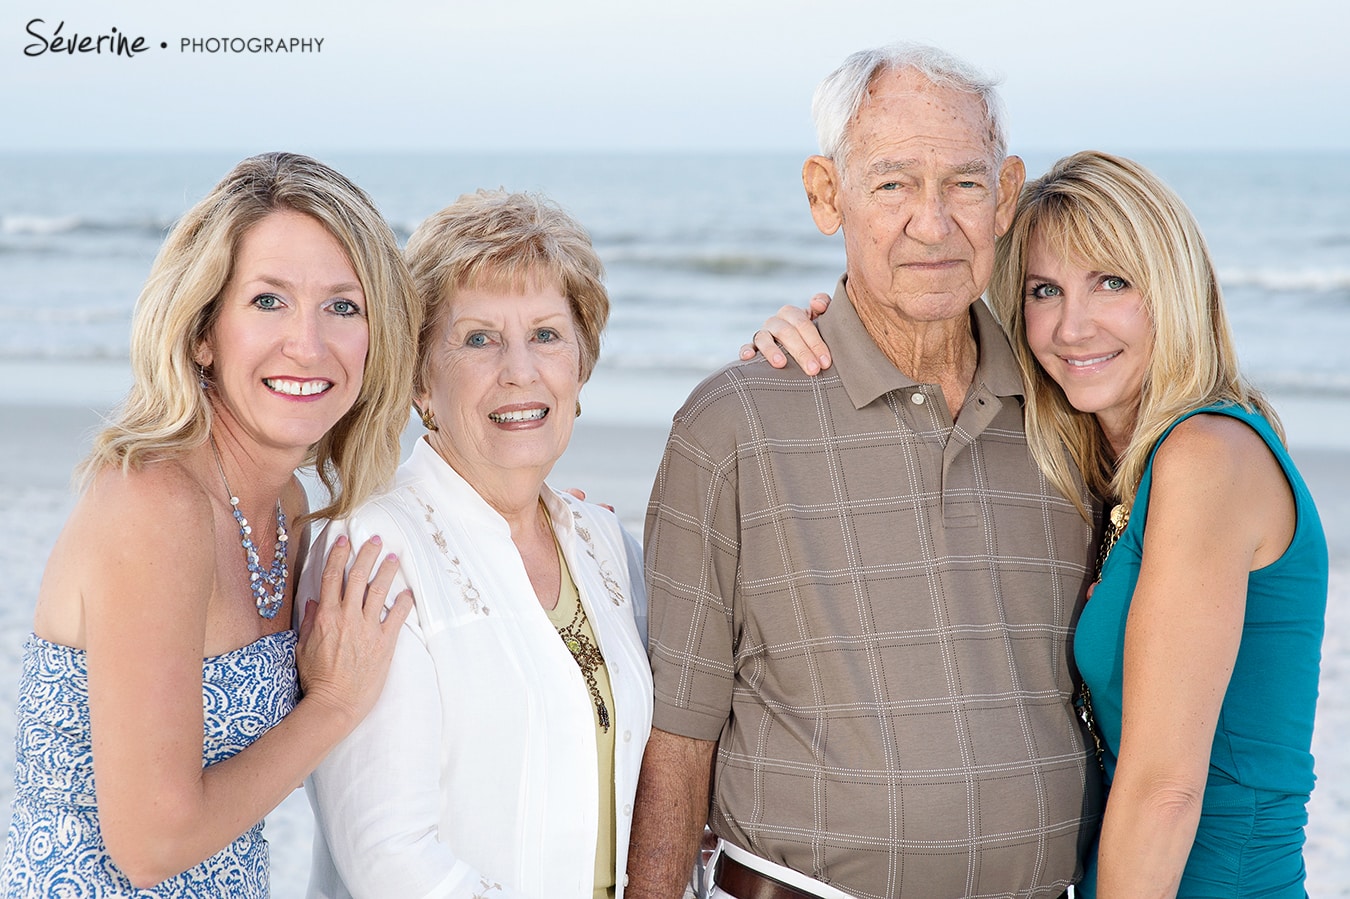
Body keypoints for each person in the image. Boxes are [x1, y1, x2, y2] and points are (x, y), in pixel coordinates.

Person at [756, 151, 1328, 896]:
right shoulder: (1108, 467)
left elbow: (1165, 790)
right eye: (1044, 290)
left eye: (1112, 283)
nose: (1072, 325)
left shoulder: (1207, 457)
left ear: (1175, 290)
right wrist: (825, 340)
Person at [626, 44, 1099, 899]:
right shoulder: (731, 423)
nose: (932, 221)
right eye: (892, 184)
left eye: (963, 182)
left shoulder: (1071, 415)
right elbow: (679, 730)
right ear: (824, 194)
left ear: (1004, 195)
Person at [1, 152, 419, 896]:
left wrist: (533, 516)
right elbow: (153, 843)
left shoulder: (287, 508)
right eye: (268, 300)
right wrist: (331, 705)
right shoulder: (154, 505)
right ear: (203, 332)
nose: (308, 343)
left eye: (343, 306)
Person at [302, 189, 653, 899]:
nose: (520, 369)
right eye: (478, 338)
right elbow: (386, 855)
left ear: (581, 366)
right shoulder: (372, 549)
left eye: (547, 334)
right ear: (419, 380)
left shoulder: (607, 544)